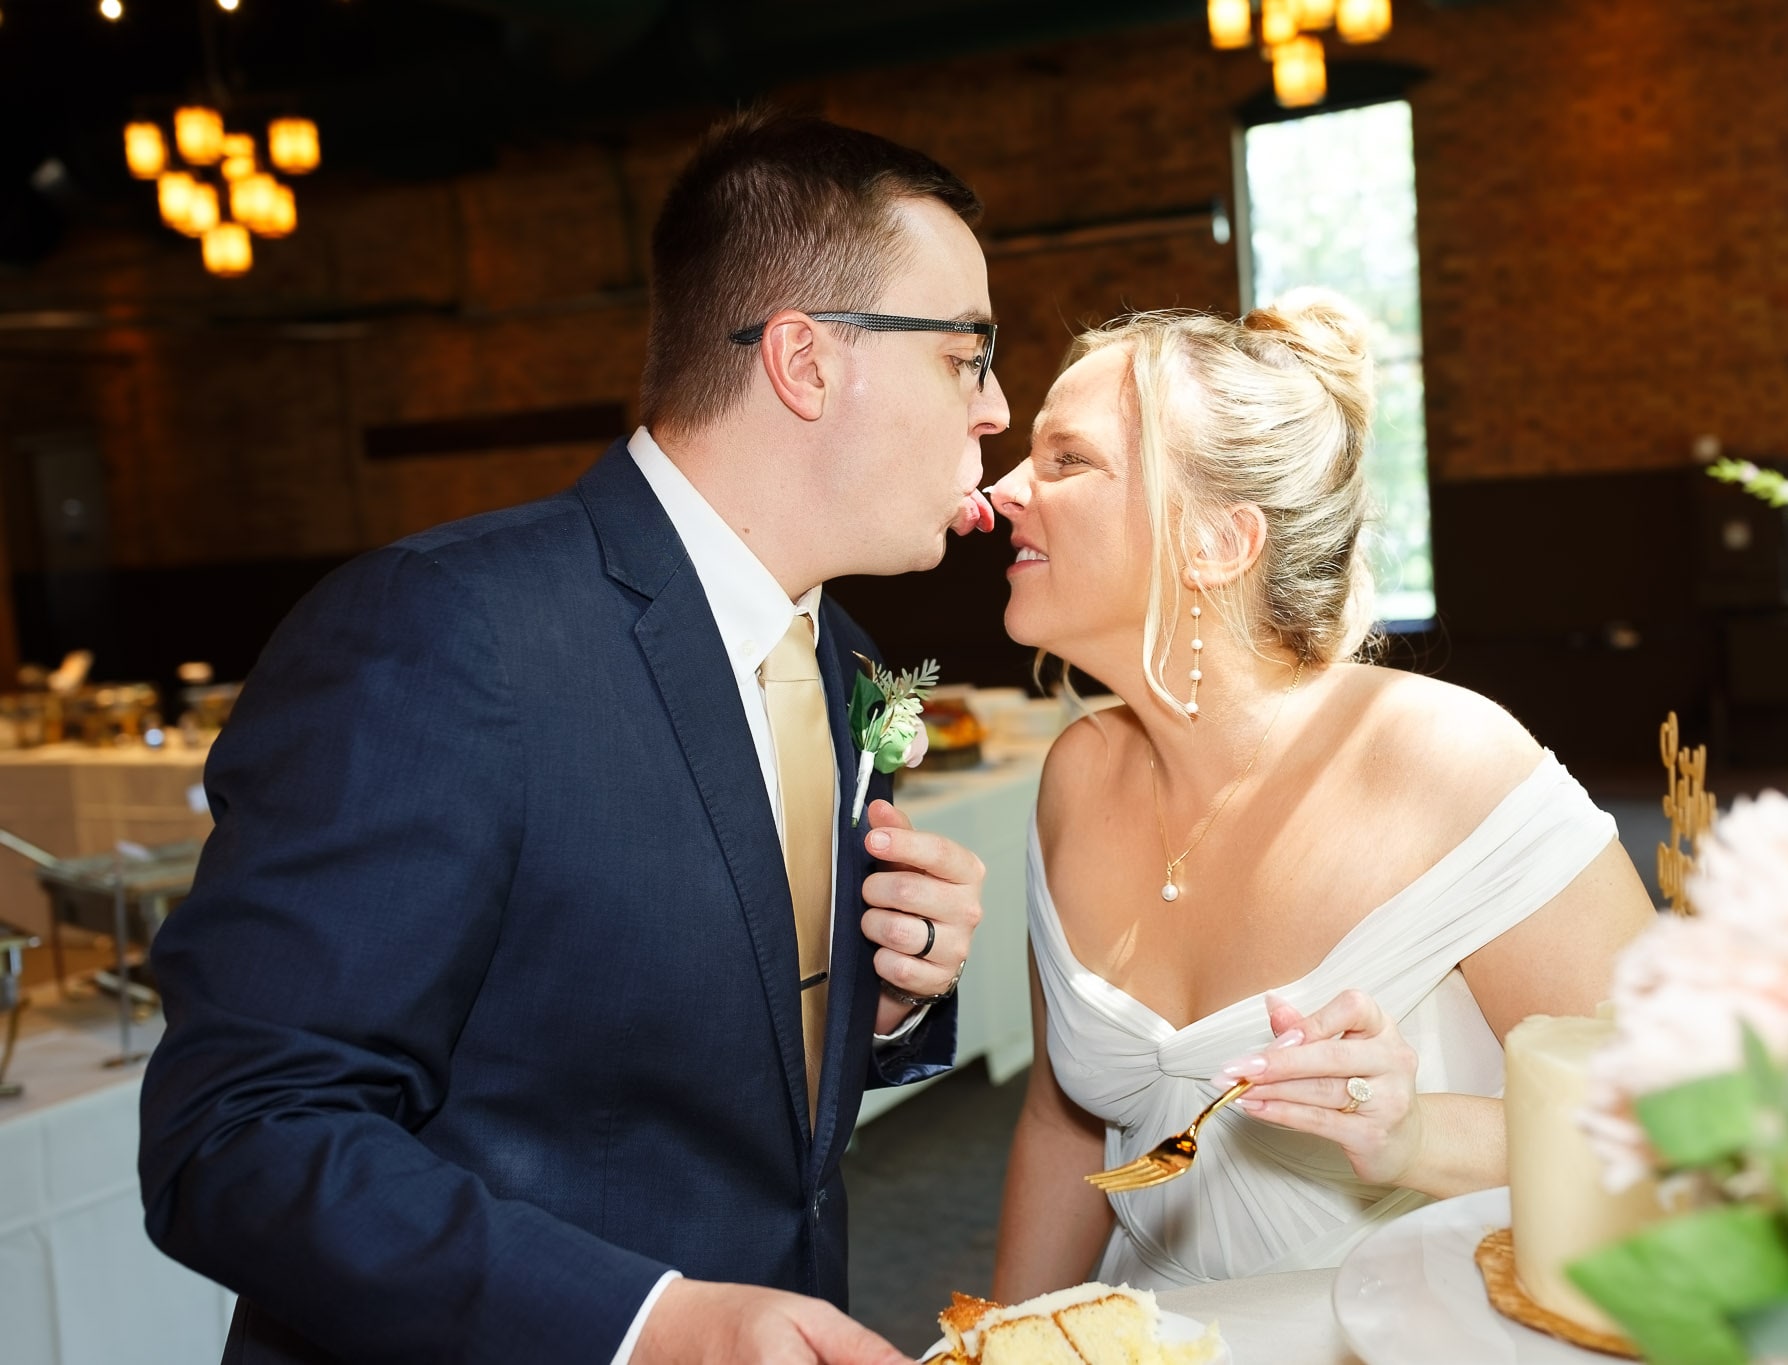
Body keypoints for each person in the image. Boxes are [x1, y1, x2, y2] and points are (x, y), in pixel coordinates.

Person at [139, 111, 1010, 1365]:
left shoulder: (839, 657)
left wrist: (880, 1000)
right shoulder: (443, 631)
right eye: (966, 355)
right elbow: (240, 1134)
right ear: (807, 361)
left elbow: (702, 1070)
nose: (992, 409)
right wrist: (642, 1325)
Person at [985, 294, 1655, 1296]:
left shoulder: (1445, 761)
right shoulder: (1076, 776)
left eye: (1065, 459)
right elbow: (1062, 1118)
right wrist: (1003, 1339)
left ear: (1217, 542)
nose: (1002, 488)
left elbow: (1666, 1119)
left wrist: (1415, 1132)